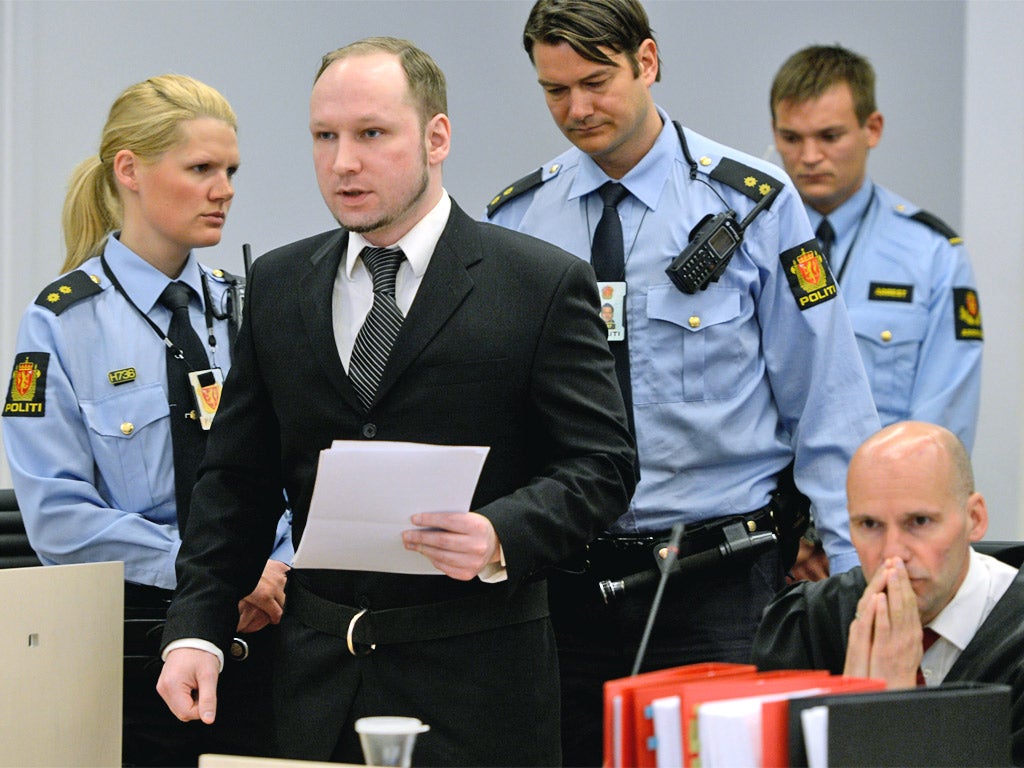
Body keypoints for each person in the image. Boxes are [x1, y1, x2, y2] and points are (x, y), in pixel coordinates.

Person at [155, 37, 636, 767]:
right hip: (320, 686)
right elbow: (236, 483)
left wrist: (501, 534)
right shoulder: (282, 286)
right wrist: (196, 631)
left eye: (371, 134)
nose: (343, 161)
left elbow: (602, 466)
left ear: (436, 137)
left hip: (479, 689)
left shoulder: (536, 284)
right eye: (325, 136)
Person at [483, 1, 880, 763]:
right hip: (567, 583)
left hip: (718, 579)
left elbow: (828, 401)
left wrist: (857, 590)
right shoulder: (522, 221)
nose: (578, 109)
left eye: (596, 82)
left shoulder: (752, 206)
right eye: (554, 90)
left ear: (648, 61)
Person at [1, 74, 292, 767]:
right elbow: (60, 519)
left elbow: (295, 470)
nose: (224, 189)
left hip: (269, 646)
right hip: (134, 658)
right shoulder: (57, 326)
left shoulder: (249, 310)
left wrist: (279, 562)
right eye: (200, 169)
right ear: (129, 171)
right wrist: (216, 572)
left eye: (230, 171)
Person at [770, 45, 984, 582]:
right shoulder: (748, 245)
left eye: (829, 136)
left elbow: (939, 427)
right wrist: (790, 533)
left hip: (889, 543)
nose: (809, 156)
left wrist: (861, 534)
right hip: (774, 547)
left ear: (873, 128)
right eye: (791, 138)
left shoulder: (931, 252)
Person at [752, 421, 1024, 762]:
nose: (892, 552)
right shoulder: (809, 625)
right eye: (869, 525)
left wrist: (886, 718)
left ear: (975, 518)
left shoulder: (1016, 642)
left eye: (920, 522)